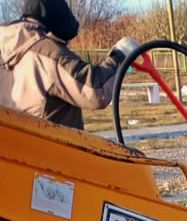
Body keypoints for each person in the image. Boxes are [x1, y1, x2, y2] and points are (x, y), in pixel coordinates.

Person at [0, 0, 139, 129]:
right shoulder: (47, 53)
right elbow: (95, 91)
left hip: (12, 148)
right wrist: (119, 56)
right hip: (52, 150)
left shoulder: (6, 48)